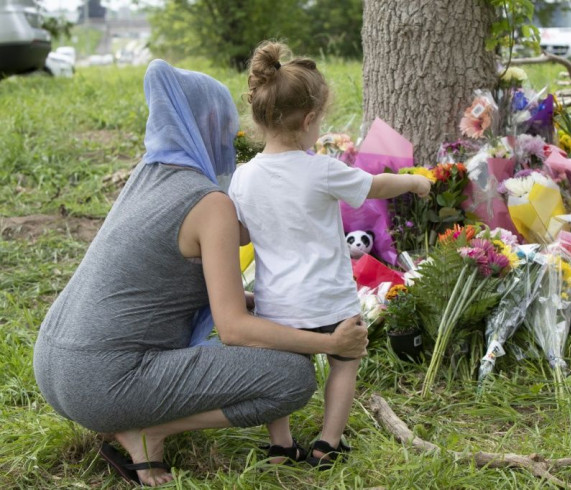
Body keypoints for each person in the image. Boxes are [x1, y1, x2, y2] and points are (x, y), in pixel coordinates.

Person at [32, 59, 368, 487]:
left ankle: (139, 426)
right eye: (228, 131)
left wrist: (264, 302)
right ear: (209, 127)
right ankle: (150, 429)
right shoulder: (210, 203)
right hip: (104, 381)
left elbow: (165, 286)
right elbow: (233, 330)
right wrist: (329, 341)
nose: (231, 141)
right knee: (292, 378)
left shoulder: (148, 177)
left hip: (54, 365)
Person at [228, 41, 432, 469]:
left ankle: (281, 445)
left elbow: (243, 234)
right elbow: (375, 186)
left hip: (277, 302)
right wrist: (413, 182)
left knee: (278, 371)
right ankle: (327, 442)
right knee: (345, 362)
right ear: (308, 120)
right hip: (330, 298)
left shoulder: (243, 177)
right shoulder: (321, 168)